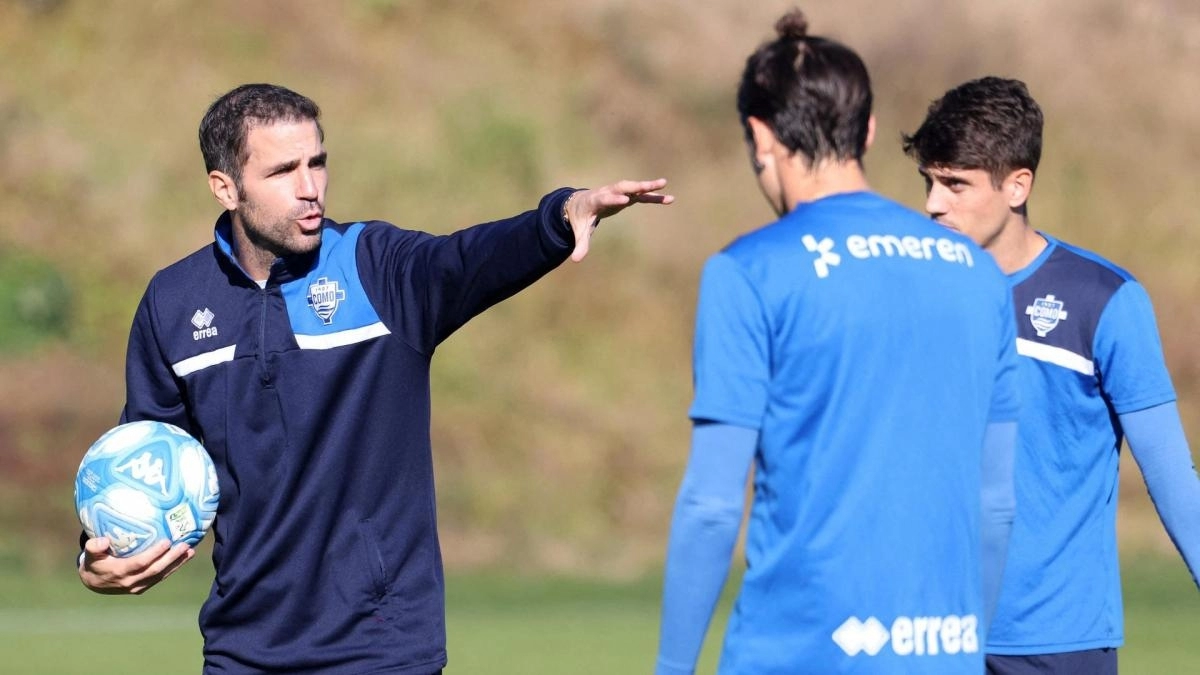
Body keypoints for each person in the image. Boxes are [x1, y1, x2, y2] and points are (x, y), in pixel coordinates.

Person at [76, 82, 673, 674]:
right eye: (283, 171)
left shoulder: (376, 268)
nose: (310, 189)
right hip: (242, 654)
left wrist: (561, 216)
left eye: (318, 162)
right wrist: (100, 556)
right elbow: (144, 462)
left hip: (383, 649)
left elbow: (467, 259)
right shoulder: (174, 303)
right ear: (225, 188)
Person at [655, 10, 1020, 675]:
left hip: (799, 652)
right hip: (944, 654)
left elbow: (712, 507)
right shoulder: (977, 274)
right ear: (870, 131)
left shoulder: (749, 271)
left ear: (761, 137)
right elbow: (996, 501)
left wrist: (672, 666)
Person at [903, 76, 1200, 675]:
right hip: (928, 634)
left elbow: (1169, 471)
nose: (934, 203)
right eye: (929, 182)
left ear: (1018, 185)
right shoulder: (909, 292)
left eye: (955, 183)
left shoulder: (1104, 299)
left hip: (1058, 640)